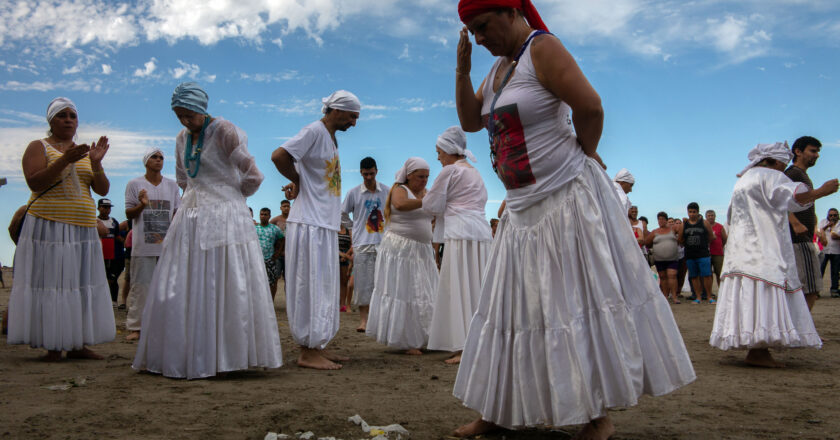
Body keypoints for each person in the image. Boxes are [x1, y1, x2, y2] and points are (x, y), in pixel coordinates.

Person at [451, 3, 695, 438]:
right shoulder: (495, 71)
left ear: (509, 10)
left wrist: (581, 151)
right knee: (509, 309)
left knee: (570, 304)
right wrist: (462, 71)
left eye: (483, 26)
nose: (480, 36)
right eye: (472, 30)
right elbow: (471, 122)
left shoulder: (541, 49)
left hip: (565, 202)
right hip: (522, 209)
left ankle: (595, 417)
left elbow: (591, 107)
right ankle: (496, 412)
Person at [132, 82, 283, 379]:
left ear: (202, 109)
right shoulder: (181, 137)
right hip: (191, 215)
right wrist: (196, 200)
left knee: (225, 277)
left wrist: (232, 196)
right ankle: (191, 352)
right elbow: (182, 177)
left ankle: (228, 355)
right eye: (179, 116)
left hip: (226, 213)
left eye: (189, 114)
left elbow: (253, 174)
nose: (186, 121)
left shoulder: (225, 130)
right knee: (186, 279)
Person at [710, 142, 837, 367]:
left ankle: (754, 348)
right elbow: (794, 198)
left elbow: (730, 215)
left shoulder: (743, 181)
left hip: (740, 250)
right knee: (766, 290)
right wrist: (821, 191)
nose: (784, 167)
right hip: (764, 246)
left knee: (749, 293)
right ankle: (759, 351)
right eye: (783, 162)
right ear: (775, 161)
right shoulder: (771, 176)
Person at [8, 97, 115, 361]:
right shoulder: (39, 146)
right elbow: (35, 182)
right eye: (62, 115)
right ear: (51, 121)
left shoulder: (83, 152)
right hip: (49, 225)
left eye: (72, 116)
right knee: (52, 283)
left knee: (80, 283)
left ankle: (78, 343)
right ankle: (53, 345)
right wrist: (63, 160)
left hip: (82, 228)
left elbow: (101, 189)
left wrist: (97, 163)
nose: (69, 120)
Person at [271, 89, 360, 370]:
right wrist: (298, 180)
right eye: (352, 116)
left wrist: (301, 182)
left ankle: (318, 345)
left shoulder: (330, 138)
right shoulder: (313, 130)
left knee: (322, 286)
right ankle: (307, 352)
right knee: (309, 286)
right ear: (336, 110)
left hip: (322, 222)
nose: (354, 123)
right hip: (309, 223)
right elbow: (279, 156)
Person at [424, 126, 492, 365]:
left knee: (461, 287)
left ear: (447, 150)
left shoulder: (450, 171)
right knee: (477, 287)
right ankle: (480, 343)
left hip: (460, 234)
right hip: (481, 233)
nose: (438, 157)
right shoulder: (475, 173)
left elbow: (431, 204)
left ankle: (465, 347)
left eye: (439, 151)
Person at [366, 157, 438, 355]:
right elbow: (401, 204)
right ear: (409, 176)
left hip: (422, 250)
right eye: (420, 177)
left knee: (424, 291)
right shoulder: (399, 189)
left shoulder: (426, 192)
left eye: (426, 177)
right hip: (402, 250)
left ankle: (425, 337)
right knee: (407, 291)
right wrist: (428, 201)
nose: (424, 181)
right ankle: (408, 341)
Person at [124, 148, 182, 341]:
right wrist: (142, 204)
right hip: (143, 246)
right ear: (146, 161)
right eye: (154, 157)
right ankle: (137, 327)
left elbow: (177, 213)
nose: (158, 160)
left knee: (169, 286)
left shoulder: (172, 186)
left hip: (167, 246)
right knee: (141, 286)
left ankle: (166, 324)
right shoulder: (135, 184)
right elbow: (129, 214)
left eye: (161, 158)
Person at [341, 157, 390, 332]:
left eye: (371, 173)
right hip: (362, 243)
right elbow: (342, 214)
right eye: (365, 174)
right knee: (363, 284)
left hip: (384, 242)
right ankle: (364, 320)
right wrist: (354, 227)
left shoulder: (386, 191)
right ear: (361, 173)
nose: (368, 177)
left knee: (384, 283)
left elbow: (394, 212)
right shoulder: (354, 193)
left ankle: (382, 321)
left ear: (376, 171)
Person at [786, 136, 824, 311]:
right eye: (813, 151)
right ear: (798, 152)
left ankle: (801, 329)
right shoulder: (793, 173)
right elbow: (780, 201)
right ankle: (803, 331)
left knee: (807, 288)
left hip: (802, 238)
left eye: (817, 152)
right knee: (809, 288)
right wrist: (795, 223)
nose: (816, 155)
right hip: (798, 240)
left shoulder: (801, 175)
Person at [678, 202, 716, 304]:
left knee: (706, 275)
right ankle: (698, 297)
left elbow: (711, 236)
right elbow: (680, 239)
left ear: (698, 212)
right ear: (687, 212)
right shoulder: (683, 225)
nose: (692, 214)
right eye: (690, 212)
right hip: (690, 255)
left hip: (703, 254)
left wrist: (703, 243)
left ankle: (709, 297)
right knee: (694, 276)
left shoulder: (704, 223)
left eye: (694, 212)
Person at [645, 211, 681, 303]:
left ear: (666, 220)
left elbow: (682, 230)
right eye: (659, 219)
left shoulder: (673, 229)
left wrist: (680, 239)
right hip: (659, 259)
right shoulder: (655, 232)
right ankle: (665, 296)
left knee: (672, 275)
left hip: (672, 258)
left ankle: (674, 296)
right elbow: (647, 243)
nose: (660, 221)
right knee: (663, 277)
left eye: (662, 219)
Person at [96, 198, 126, 304]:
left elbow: (117, 236)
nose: (107, 210)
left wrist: (126, 243)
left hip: (113, 255)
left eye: (109, 208)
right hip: (99, 255)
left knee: (112, 279)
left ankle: (113, 301)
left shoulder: (113, 222)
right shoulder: (95, 221)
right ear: (98, 208)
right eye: (104, 207)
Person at [256, 207, 284, 301]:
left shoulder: (274, 229)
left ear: (269, 216)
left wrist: (278, 253)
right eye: (261, 214)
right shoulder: (255, 228)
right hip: (257, 260)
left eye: (265, 214)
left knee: (272, 282)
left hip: (270, 259)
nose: (263, 216)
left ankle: (271, 303)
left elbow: (282, 239)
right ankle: (260, 302)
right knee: (257, 282)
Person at [270, 199, 292, 285]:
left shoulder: (293, 219)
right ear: (280, 208)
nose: (286, 208)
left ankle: (289, 298)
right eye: (284, 206)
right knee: (275, 277)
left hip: (290, 254)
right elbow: (268, 229)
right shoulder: (275, 220)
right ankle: (272, 298)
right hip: (278, 253)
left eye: (288, 206)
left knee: (289, 279)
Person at [705, 209, 728, 292]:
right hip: (706, 254)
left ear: (715, 216)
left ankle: (721, 291)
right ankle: (709, 293)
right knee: (708, 274)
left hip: (718, 253)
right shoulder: (704, 227)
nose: (710, 217)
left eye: (712, 215)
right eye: (709, 216)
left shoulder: (720, 226)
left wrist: (720, 246)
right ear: (706, 217)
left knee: (719, 274)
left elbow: (725, 239)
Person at [821, 208, 840, 297]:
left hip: (836, 251)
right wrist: (827, 226)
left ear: (838, 216)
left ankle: (834, 290)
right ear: (827, 215)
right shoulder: (823, 222)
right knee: (820, 270)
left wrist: (836, 234)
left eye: (835, 215)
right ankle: (816, 291)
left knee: (835, 272)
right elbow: (819, 232)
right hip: (824, 250)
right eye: (831, 215)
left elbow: (835, 236)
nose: (832, 217)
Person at [338, 223, 353, 312]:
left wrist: (346, 255)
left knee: (344, 282)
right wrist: (341, 254)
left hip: (345, 259)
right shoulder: (334, 229)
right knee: (335, 282)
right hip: (335, 257)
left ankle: (342, 304)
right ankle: (336, 303)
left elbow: (352, 245)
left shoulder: (348, 231)